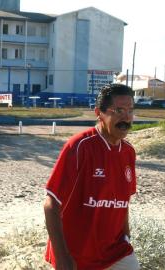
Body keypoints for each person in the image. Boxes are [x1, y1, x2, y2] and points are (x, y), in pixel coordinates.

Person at [44, 84, 139, 270]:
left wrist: (126, 238)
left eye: (130, 110)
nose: (126, 117)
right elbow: (51, 204)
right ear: (99, 113)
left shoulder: (129, 152)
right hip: (77, 253)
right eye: (118, 110)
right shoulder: (80, 147)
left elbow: (123, 202)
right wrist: (62, 258)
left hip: (116, 250)